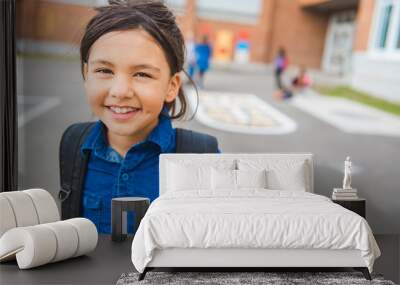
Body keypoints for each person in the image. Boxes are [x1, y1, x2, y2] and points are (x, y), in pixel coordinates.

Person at [61, 0, 220, 234]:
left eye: (142, 74)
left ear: (171, 85)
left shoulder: (203, 157)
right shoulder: (73, 144)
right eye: (104, 70)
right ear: (87, 73)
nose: (120, 91)